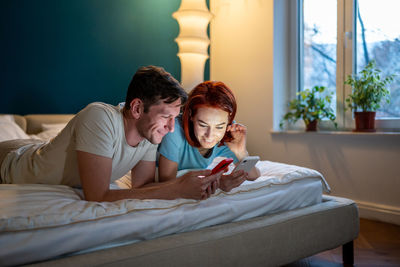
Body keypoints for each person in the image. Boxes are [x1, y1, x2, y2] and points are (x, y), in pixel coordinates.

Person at [0, 66, 222, 201]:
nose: (171, 128)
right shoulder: (99, 117)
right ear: (136, 109)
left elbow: (142, 188)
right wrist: (176, 190)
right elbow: (97, 196)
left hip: (34, 149)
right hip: (11, 160)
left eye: (174, 118)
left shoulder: (150, 134)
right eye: (165, 117)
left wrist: (187, 182)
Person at [158, 81, 261, 192]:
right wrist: (216, 183)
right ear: (191, 115)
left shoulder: (228, 133)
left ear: (228, 121)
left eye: (219, 127)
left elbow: (253, 175)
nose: (210, 135)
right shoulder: (174, 130)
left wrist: (241, 152)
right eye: (202, 125)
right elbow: (166, 183)